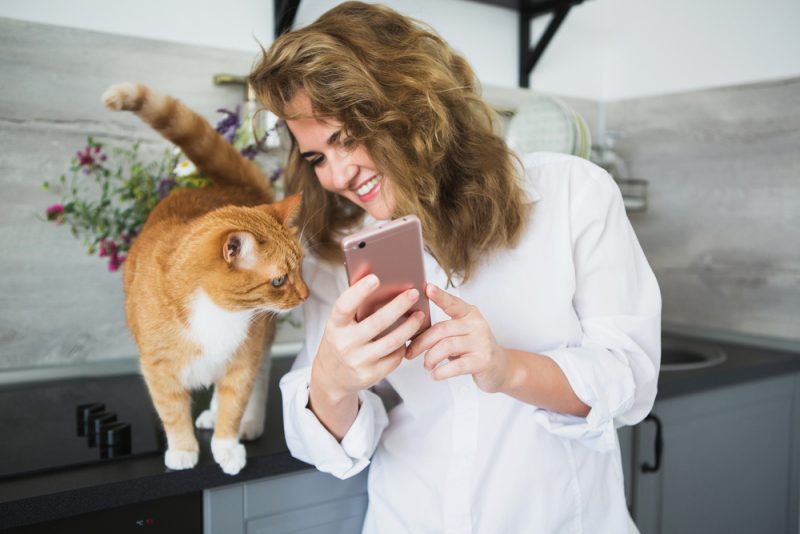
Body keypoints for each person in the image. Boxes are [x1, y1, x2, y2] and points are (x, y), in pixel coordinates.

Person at [249, 2, 660, 533]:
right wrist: (330, 382)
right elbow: (338, 449)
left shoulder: (571, 194)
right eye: (317, 158)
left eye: (347, 138)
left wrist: (506, 369)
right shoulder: (339, 251)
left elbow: (630, 379)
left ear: (412, 106)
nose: (338, 174)